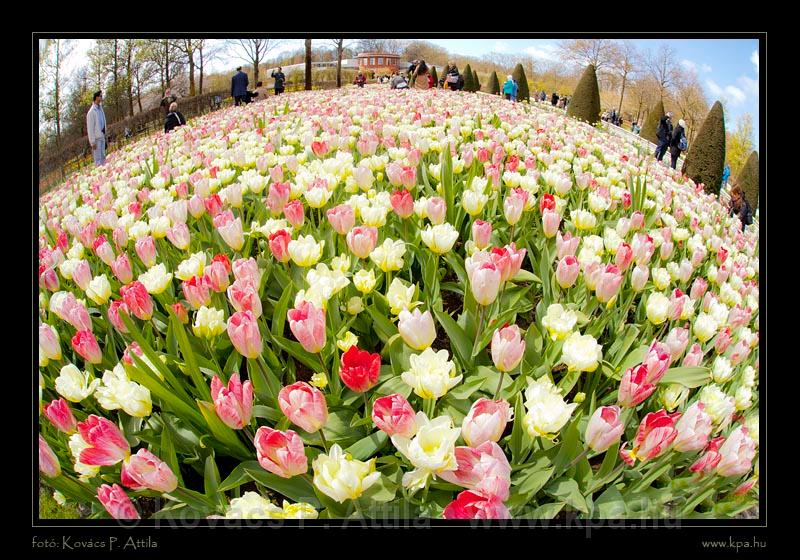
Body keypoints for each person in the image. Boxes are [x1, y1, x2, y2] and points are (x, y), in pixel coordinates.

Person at [86, 90, 107, 166]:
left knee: (103, 157)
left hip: (102, 136)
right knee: (98, 159)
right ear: (96, 97)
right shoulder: (91, 112)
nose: (101, 98)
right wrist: (92, 142)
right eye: (100, 96)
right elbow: (90, 128)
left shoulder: (100, 109)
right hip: (96, 139)